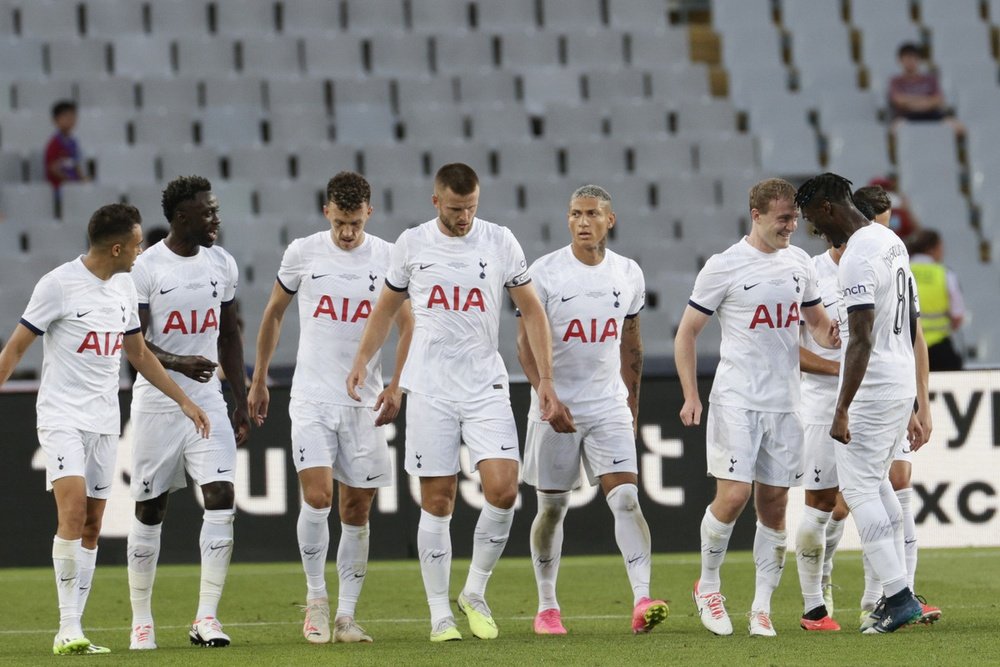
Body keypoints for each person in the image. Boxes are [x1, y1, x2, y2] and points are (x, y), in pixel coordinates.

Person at [347, 163, 562, 642]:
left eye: (471, 208)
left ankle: (475, 591)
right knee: (438, 501)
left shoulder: (500, 241)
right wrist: (364, 360)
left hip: (485, 383)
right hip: (431, 388)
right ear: (435, 202)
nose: (464, 217)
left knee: (504, 489)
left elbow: (532, 310)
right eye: (455, 208)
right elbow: (384, 310)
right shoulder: (412, 244)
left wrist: (545, 378)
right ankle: (439, 612)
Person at [0, 203, 210, 656]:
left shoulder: (123, 288)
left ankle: (78, 628)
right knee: (72, 512)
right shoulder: (57, 285)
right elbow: (15, 348)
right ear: (117, 247)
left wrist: (184, 400)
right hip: (62, 417)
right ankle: (67, 627)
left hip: (103, 421)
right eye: (136, 244)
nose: (140, 252)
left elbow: (138, 355)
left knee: (93, 525)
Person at [248, 172, 414, 645]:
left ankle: (346, 616)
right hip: (312, 397)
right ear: (327, 212)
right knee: (318, 497)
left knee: (357, 509)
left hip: (363, 403)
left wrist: (397, 385)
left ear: (369, 213)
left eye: (355, 222)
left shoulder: (386, 256)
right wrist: (259, 378)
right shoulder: (303, 252)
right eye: (340, 221)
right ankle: (316, 600)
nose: (347, 232)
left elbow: (408, 325)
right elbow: (274, 313)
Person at [674, 177, 839, 637]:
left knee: (774, 506)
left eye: (794, 218)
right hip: (737, 400)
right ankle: (708, 586)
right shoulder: (724, 266)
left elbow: (818, 324)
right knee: (734, 495)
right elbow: (686, 332)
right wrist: (691, 393)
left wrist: (834, 336)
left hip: (787, 404)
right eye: (784, 218)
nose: (791, 226)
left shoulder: (800, 264)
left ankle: (761, 608)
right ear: (758, 215)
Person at [518, 185, 669, 636]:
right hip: (556, 406)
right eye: (575, 214)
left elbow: (632, 344)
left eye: (591, 214)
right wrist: (546, 395)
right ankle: (547, 606)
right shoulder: (543, 274)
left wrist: (632, 404)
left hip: (608, 405)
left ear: (610, 220)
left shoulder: (628, 274)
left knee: (625, 497)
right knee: (552, 509)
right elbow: (524, 345)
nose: (582, 222)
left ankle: (642, 598)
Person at [796, 172, 928, 634]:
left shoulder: (855, 258)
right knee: (880, 487)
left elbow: (861, 336)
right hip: (900, 380)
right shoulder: (891, 241)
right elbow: (909, 322)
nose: (816, 229)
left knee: (857, 489)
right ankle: (900, 588)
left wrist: (842, 406)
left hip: (872, 388)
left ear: (829, 208)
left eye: (813, 218)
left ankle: (897, 595)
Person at [125, 175, 250, 650]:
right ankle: (141, 621)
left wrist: (239, 397)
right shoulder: (146, 268)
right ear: (181, 216)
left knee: (220, 494)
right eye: (207, 212)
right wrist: (178, 362)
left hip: (209, 401)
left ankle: (206, 618)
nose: (215, 219)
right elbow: (131, 343)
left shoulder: (222, 263)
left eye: (216, 210)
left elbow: (230, 335)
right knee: (150, 507)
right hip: (158, 402)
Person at [794, 234, 845, 632]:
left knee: (848, 504)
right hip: (819, 404)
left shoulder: (879, 265)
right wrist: (839, 371)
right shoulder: (809, 273)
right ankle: (814, 603)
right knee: (820, 503)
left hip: (871, 401)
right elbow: (786, 347)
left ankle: (885, 596)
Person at [907, 229, 964, 371]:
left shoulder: (902, 271)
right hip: (939, 349)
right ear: (932, 249)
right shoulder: (945, 274)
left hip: (907, 346)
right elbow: (957, 316)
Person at [888, 42, 965, 136]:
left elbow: (938, 100)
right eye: (907, 58)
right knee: (894, 131)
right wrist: (925, 100)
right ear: (900, 60)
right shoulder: (896, 81)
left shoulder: (930, 79)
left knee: (959, 128)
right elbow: (898, 100)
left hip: (931, 113)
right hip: (907, 115)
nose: (910, 62)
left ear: (918, 60)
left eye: (913, 58)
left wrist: (912, 101)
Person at [44, 100, 87, 193]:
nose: (70, 120)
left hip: (73, 187)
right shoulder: (54, 143)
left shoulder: (73, 142)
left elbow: (76, 164)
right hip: (59, 189)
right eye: (65, 116)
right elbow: (52, 168)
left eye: (72, 116)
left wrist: (82, 179)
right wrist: (69, 181)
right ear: (55, 119)